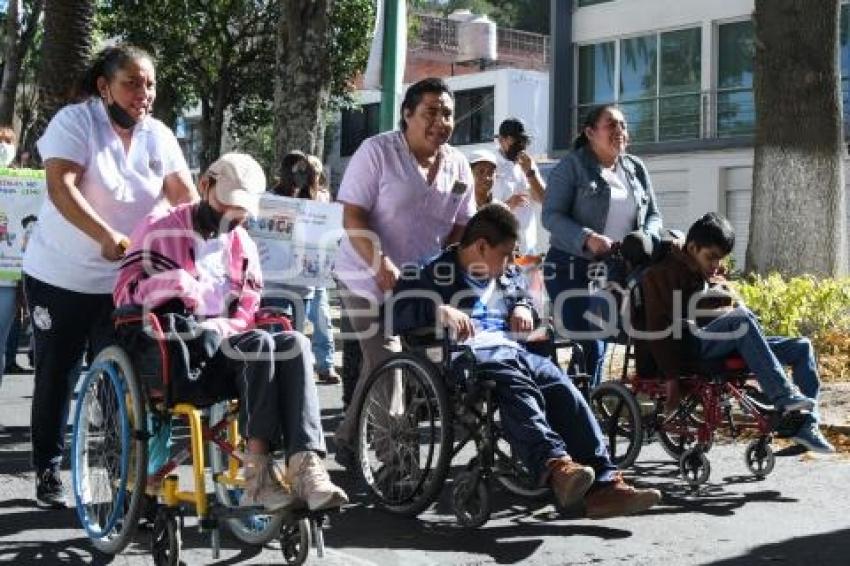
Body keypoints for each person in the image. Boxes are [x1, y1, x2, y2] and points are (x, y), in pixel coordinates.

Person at [389, 204, 662, 518]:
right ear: (480, 246)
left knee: (564, 390)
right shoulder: (432, 269)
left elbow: (522, 296)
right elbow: (394, 310)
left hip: (514, 352)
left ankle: (606, 484)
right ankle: (556, 466)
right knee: (518, 386)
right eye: (506, 255)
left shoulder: (506, 275)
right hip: (467, 358)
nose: (510, 263)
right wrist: (438, 310)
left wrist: (523, 309)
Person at [114, 152, 349, 511]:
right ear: (205, 186)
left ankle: (306, 464)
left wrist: (221, 325)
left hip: (233, 350)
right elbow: (125, 296)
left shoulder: (243, 244)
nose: (231, 218)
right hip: (181, 355)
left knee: (295, 342)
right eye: (226, 205)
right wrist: (171, 284)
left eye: (239, 213)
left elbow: (249, 309)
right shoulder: (159, 228)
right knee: (259, 342)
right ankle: (259, 472)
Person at [23, 45, 197, 507]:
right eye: (132, 83)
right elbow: (61, 185)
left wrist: (209, 234)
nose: (144, 93)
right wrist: (106, 235)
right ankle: (47, 470)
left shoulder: (159, 135)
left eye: (150, 84)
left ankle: (122, 470)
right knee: (57, 374)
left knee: (121, 380)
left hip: (123, 283)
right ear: (105, 87)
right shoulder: (76, 122)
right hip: (60, 276)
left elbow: (184, 196)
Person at [333, 77, 476, 467]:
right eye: (431, 112)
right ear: (407, 115)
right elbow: (353, 215)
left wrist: (448, 270)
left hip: (419, 282)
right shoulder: (377, 151)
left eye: (447, 114)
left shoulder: (459, 165)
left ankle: (347, 439)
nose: (441, 121)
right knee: (385, 361)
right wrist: (381, 263)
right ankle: (398, 460)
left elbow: (463, 226)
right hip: (365, 275)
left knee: (398, 364)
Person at [638, 212, 833, 453]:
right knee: (740, 320)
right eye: (711, 258)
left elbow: (730, 308)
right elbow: (657, 328)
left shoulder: (710, 272)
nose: (716, 265)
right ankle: (782, 395)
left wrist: (723, 289)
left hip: (726, 338)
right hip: (691, 345)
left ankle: (807, 427)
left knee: (802, 347)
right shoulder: (663, 273)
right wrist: (672, 379)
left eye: (721, 259)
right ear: (692, 247)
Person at [543, 104, 662, 388]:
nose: (620, 131)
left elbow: (654, 215)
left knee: (600, 343)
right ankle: (576, 408)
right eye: (611, 125)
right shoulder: (571, 166)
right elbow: (550, 216)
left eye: (623, 125)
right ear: (590, 132)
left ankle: (577, 403)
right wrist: (586, 237)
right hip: (569, 268)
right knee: (590, 342)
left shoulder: (635, 168)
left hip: (615, 269)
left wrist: (646, 237)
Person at [492, 118, 547, 256]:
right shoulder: (490, 164)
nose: (520, 145)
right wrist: (507, 205)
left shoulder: (528, 164)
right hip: (500, 245)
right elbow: (479, 206)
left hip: (528, 246)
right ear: (501, 140)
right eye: (514, 140)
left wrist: (529, 173)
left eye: (523, 141)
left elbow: (545, 200)